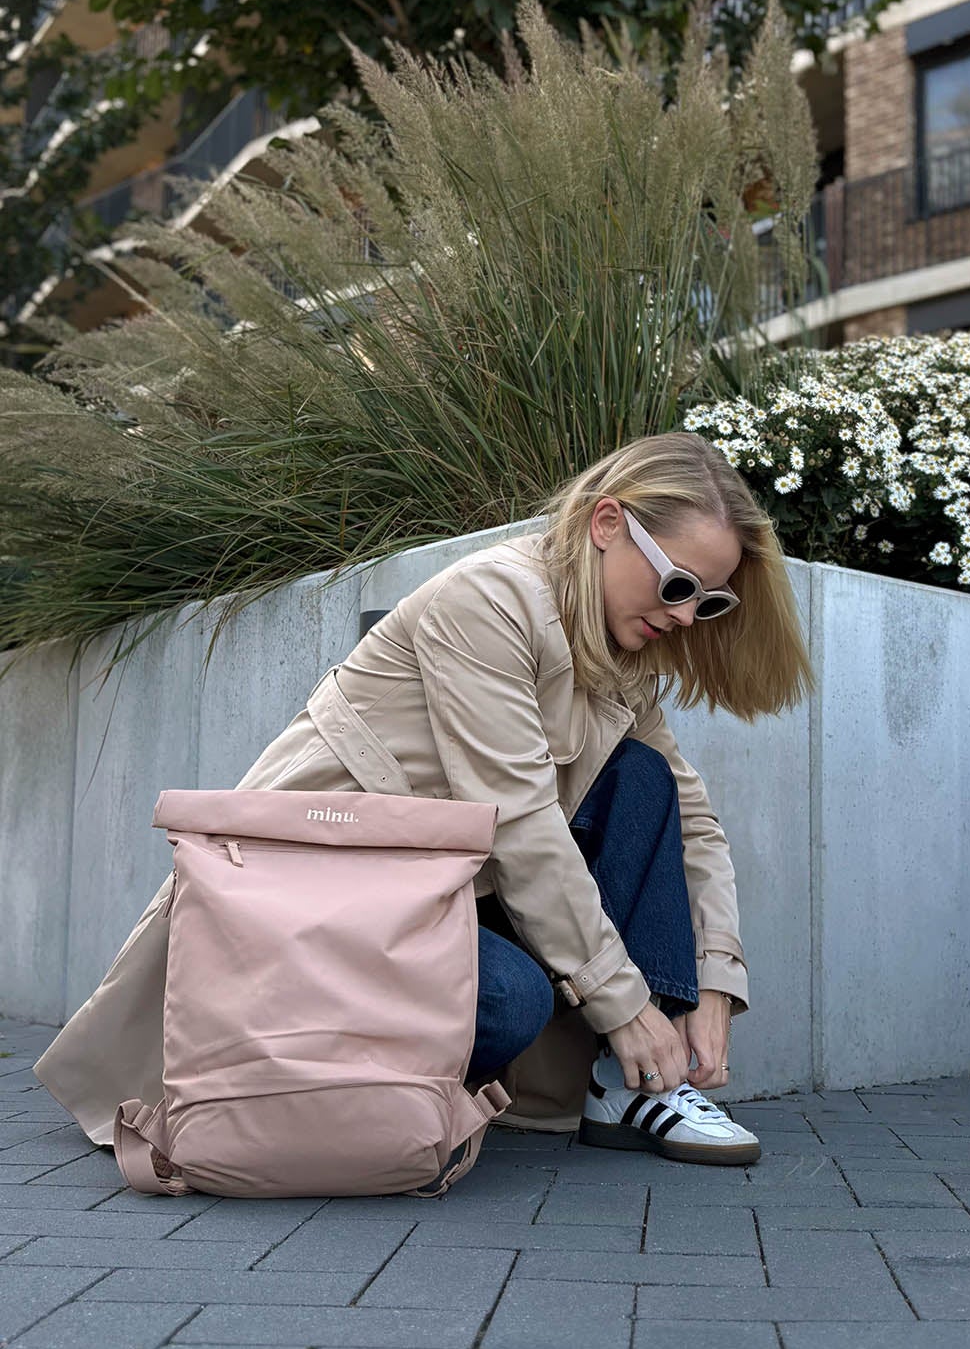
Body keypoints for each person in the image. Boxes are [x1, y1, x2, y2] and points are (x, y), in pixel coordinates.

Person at [34, 431, 813, 1167]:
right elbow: (519, 822)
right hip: (317, 896)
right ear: (608, 522)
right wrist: (625, 1004)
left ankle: (635, 1086)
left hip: (427, 894)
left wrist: (712, 989)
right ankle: (323, 1085)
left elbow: (694, 823)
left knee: (642, 778)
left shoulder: (619, 656)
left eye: (707, 602)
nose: (683, 616)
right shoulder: (490, 601)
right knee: (508, 1001)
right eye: (678, 585)